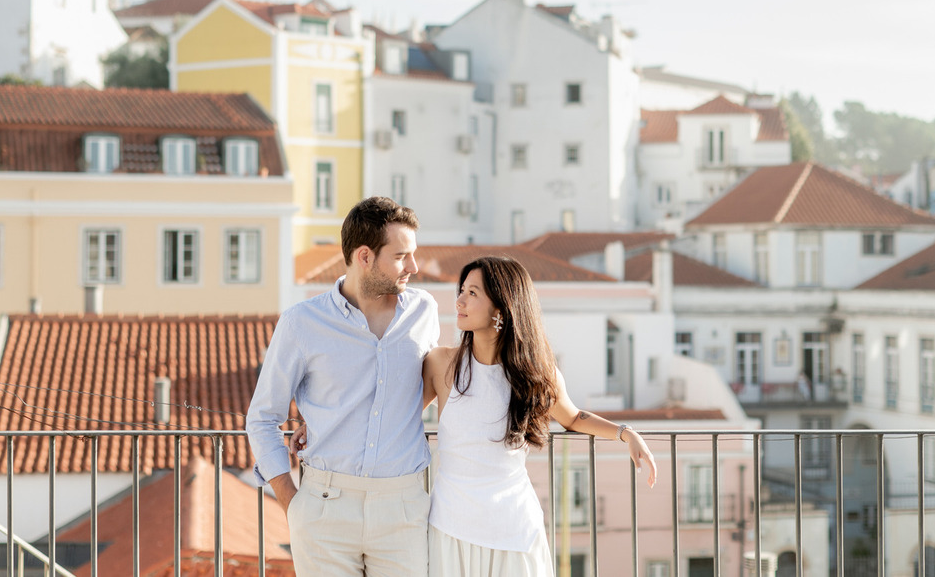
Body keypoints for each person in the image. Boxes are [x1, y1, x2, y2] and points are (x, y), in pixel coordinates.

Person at [424, 256, 658, 576]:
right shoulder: (441, 363)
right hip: (450, 525)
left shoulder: (534, 374)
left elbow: (573, 418)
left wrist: (625, 432)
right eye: (461, 290)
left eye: (473, 293)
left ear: (501, 308)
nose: (459, 300)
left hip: (514, 528)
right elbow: (402, 417)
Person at [246, 196, 439, 577]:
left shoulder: (425, 311)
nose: (414, 267)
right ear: (364, 257)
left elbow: (421, 389)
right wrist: (292, 503)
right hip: (324, 508)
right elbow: (262, 417)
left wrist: (338, 419)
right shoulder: (302, 322)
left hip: (403, 508)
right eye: (401, 256)